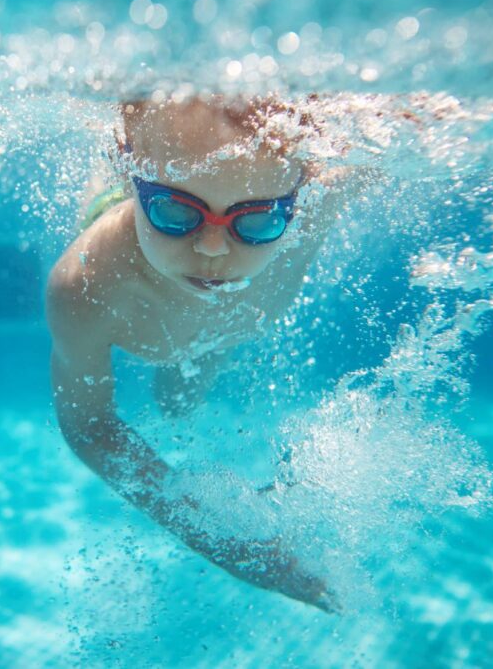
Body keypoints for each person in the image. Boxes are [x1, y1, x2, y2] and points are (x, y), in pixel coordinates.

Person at [46, 95, 369, 612]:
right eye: (175, 210)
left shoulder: (317, 205)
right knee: (179, 393)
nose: (214, 251)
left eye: (259, 221)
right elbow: (90, 427)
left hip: (218, 336)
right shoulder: (86, 286)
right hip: (134, 263)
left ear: (297, 192)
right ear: (131, 168)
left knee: (178, 404)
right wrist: (224, 543)